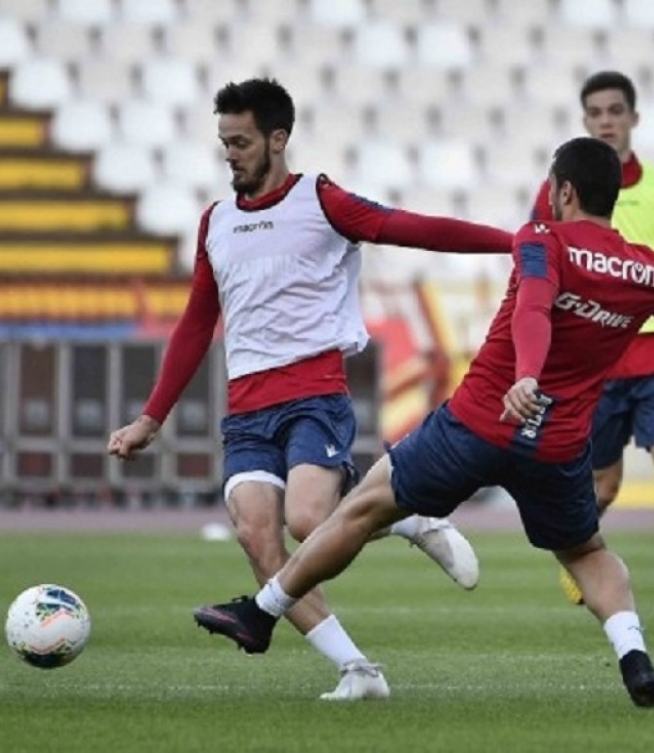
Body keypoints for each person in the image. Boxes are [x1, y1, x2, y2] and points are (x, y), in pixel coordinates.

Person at [192, 137, 654, 708]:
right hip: (557, 444)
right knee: (586, 552)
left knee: (363, 507)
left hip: (480, 422)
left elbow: (535, 305)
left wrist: (528, 375)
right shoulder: (647, 272)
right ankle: (634, 658)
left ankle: (262, 613)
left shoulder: (544, 239)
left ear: (564, 191)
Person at [108, 78, 514, 700]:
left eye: (240, 142)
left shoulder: (320, 201)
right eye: (223, 142)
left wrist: (514, 243)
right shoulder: (215, 222)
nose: (230, 154)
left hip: (313, 394)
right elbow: (196, 321)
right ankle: (358, 670)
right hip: (246, 409)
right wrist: (151, 418)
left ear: (278, 139)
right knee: (255, 534)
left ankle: (405, 515)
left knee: (307, 519)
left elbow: (410, 227)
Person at [530, 71, 654, 633]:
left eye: (616, 111)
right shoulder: (560, 188)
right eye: (597, 113)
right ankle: (579, 549)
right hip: (599, 355)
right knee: (603, 483)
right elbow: (536, 254)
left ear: (634, 118)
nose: (607, 120)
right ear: (585, 121)